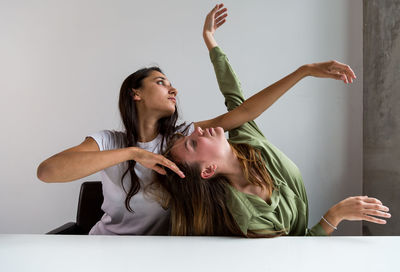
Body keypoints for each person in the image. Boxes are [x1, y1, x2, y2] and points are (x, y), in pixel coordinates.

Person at [36, 4, 359, 236]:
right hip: (103, 248)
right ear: (135, 93)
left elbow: (244, 110)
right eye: (160, 82)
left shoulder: (185, 140)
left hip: (161, 253)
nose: (173, 87)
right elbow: (48, 172)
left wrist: (302, 71)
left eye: (171, 82)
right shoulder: (109, 141)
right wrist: (134, 153)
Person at [153, 6, 391, 237]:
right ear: (208, 170)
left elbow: (233, 94)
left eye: (188, 137)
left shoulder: (246, 141)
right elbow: (299, 248)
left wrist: (209, 39)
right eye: (192, 144)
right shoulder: (249, 216)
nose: (196, 131)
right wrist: (336, 214)